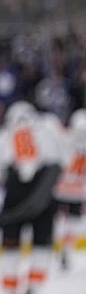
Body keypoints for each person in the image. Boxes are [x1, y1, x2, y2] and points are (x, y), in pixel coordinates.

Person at [0, 101, 67, 294]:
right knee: (41, 250)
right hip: (44, 198)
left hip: (14, 195)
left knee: (10, 252)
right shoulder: (48, 129)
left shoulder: (2, 135)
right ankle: (33, 292)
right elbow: (62, 161)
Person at [53, 108, 86, 271]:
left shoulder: (65, 139)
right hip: (77, 191)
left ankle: (58, 248)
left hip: (60, 189)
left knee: (57, 221)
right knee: (71, 224)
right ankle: (66, 249)